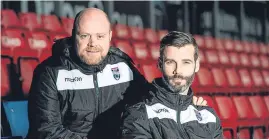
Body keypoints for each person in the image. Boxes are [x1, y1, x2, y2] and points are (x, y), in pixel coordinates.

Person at [27, 8, 208, 139]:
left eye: (100, 36)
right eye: (85, 36)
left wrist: (183, 101)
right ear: (74, 35)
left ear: (110, 36)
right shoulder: (49, 73)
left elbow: (149, 99)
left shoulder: (122, 67)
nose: (92, 43)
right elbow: (47, 131)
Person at [121, 31, 223, 139]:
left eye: (186, 62)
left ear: (196, 65)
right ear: (160, 64)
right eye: (170, 62)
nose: (178, 71)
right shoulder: (139, 113)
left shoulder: (209, 116)